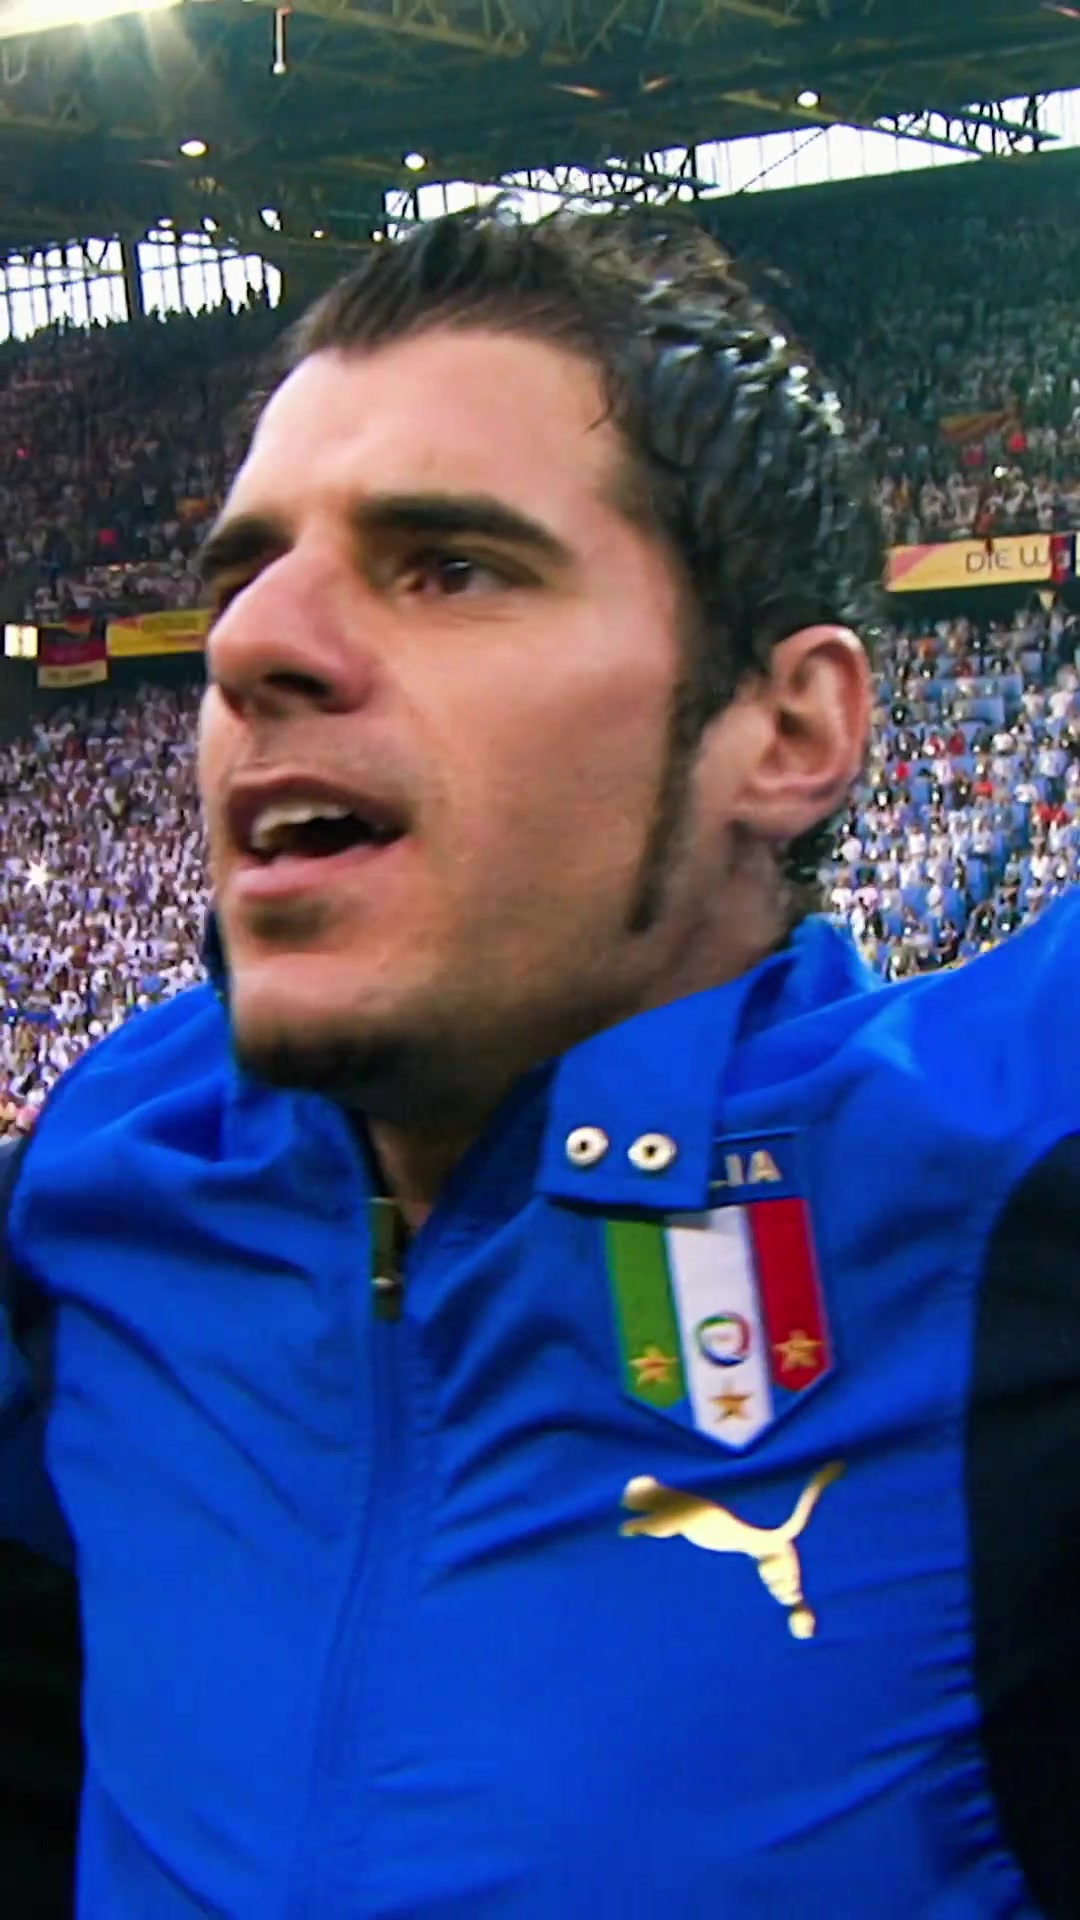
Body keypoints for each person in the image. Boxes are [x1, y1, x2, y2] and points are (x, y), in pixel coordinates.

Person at [2, 204, 1079, 1919]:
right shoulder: (101, 1189)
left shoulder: (996, 1206)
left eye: (450, 567)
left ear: (787, 728)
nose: (251, 644)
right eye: (242, 575)